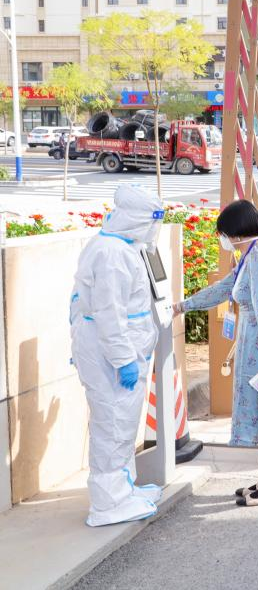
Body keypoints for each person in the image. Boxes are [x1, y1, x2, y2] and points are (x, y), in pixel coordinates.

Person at [179, 199, 258, 501]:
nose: (223, 239)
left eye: (223, 234)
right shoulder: (249, 257)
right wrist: (183, 306)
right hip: (256, 346)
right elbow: (224, 289)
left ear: (234, 232)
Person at [70, 186, 167, 524]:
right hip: (113, 358)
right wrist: (123, 359)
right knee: (112, 426)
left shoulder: (120, 247)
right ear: (137, 220)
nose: (154, 230)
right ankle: (107, 504)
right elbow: (109, 314)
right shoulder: (112, 255)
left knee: (123, 424)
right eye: (152, 222)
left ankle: (123, 489)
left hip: (114, 354)